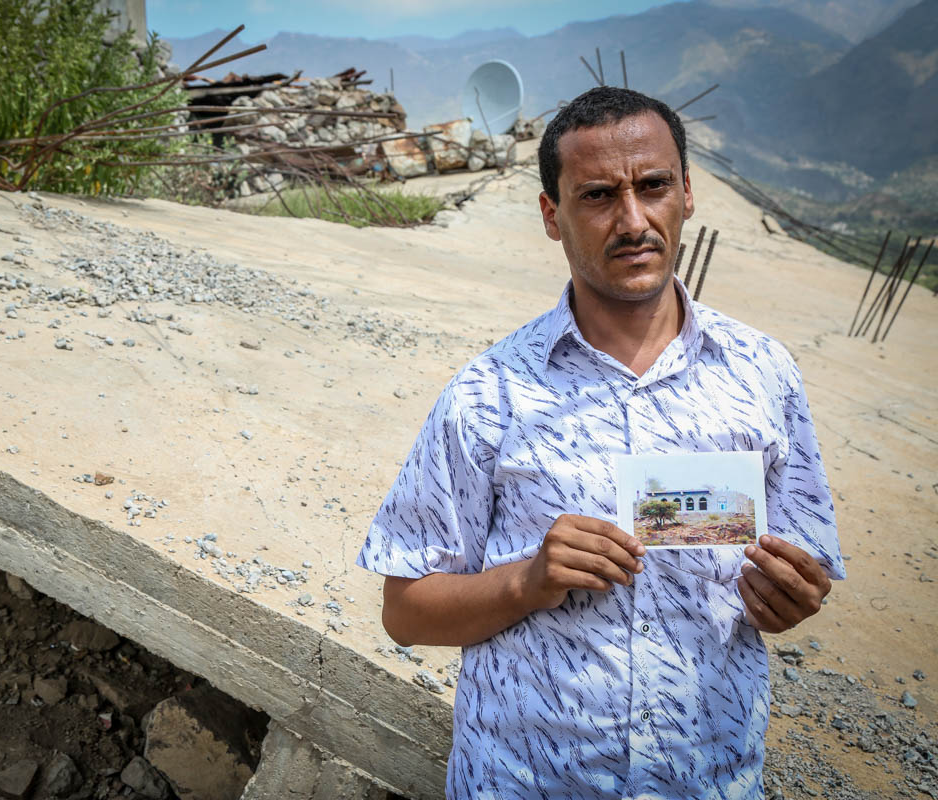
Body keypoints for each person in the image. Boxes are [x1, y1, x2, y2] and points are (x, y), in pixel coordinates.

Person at [356, 86, 844, 800]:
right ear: (552, 216)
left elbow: (805, 567)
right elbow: (404, 610)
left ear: (687, 192)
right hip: (523, 783)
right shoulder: (489, 393)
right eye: (597, 196)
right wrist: (530, 580)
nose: (633, 220)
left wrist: (791, 597)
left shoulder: (765, 374)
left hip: (707, 782)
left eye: (652, 187)